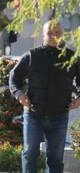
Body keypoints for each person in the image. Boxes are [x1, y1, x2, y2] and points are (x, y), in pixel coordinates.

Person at [10, 20, 80, 173]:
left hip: (59, 115)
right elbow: (14, 78)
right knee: (30, 153)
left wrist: (79, 98)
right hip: (34, 114)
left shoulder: (72, 57)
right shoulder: (32, 56)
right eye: (49, 33)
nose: (53, 36)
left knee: (55, 158)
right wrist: (19, 94)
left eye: (57, 33)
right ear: (43, 35)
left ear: (63, 35)